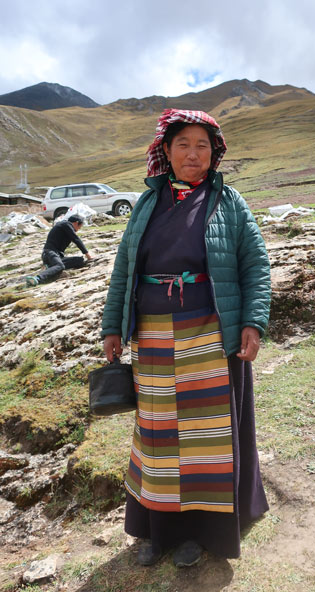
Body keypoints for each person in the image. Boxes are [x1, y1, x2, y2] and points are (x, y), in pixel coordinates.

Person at [101, 109, 271, 567]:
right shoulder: (146, 204)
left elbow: (255, 265)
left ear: (214, 153)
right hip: (153, 333)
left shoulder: (228, 202)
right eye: (183, 145)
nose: (193, 154)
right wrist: (112, 327)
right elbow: (124, 269)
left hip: (209, 332)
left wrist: (254, 322)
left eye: (203, 145)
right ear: (166, 152)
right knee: (157, 436)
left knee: (204, 437)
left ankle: (200, 531)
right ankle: (160, 529)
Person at [26, 215, 93, 286]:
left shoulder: (65, 226)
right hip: (49, 253)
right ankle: (37, 278)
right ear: (76, 223)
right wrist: (88, 255)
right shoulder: (66, 224)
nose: (79, 228)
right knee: (60, 266)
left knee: (79, 260)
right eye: (80, 226)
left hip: (56, 255)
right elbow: (76, 239)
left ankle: (50, 267)